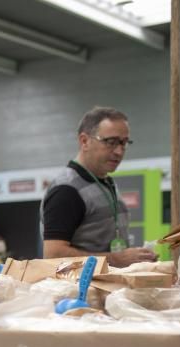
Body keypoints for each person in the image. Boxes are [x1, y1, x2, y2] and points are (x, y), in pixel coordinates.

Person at [41, 106, 157, 267]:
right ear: (84, 141)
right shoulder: (66, 191)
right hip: (80, 290)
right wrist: (117, 259)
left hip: (108, 287)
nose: (119, 151)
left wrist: (134, 257)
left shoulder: (105, 181)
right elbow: (54, 254)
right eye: (111, 142)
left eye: (124, 143)